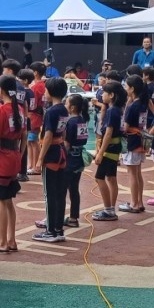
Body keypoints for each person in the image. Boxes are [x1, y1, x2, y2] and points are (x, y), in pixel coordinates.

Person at [0, 75, 26, 254]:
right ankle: (11, 240)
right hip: (15, 156)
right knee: (8, 200)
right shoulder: (20, 109)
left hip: (2, 158)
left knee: (0, 201)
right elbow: (24, 136)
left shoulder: (1, 110)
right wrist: (19, 155)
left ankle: (2, 242)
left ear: (0, 90)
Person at [34, 77, 70, 242]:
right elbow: (63, 132)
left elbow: (48, 136)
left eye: (46, 90)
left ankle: (50, 231)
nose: (44, 92)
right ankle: (58, 229)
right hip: (61, 151)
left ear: (51, 92)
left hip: (51, 154)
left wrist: (40, 159)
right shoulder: (64, 110)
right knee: (60, 193)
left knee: (49, 194)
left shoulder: (51, 111)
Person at [92, 82, 125, 221]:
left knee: (99, 177)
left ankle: (108, 209)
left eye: (104, 93)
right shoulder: (117, 109)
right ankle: (110, 208)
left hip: (110, 148)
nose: (102, 95)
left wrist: (100, 153)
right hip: (115, 147)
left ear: (111, 95)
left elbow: (108, 133)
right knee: (111, 177)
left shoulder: (112, 111)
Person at [118, 75, 149, 214]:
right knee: (137, 173)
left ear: (132, 89)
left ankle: (134, 203)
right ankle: (139, 202)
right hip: (140, 140)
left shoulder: (133, 106)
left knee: (132, 173)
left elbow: (125, 127)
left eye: (126, 86)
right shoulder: (142, 103)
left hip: (132, 141)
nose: (125, 88)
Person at [63, 94, 90, 228]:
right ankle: (74, 217)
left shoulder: (70, 122)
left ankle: (56, 218)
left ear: (72, 107)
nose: (65, 105)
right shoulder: (82, 121)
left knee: (61, 189)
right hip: (79, 158)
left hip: (70, 159)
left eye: (66, 103)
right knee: (74, 189)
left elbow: (67, 144)